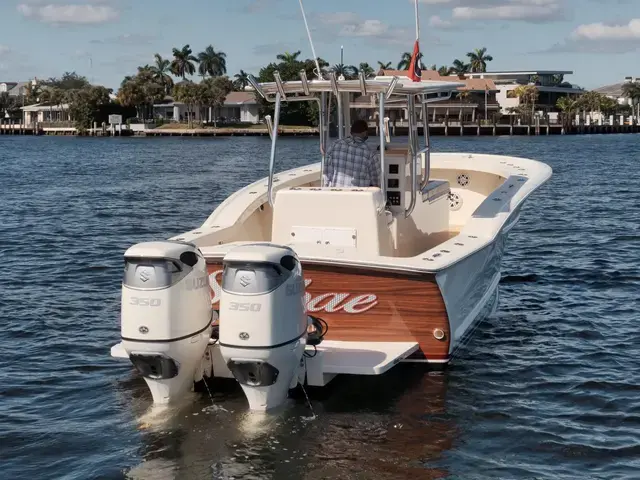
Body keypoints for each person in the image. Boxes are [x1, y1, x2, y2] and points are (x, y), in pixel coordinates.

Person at [322, 119, 381, 188]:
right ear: (365, 133)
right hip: (358, 197)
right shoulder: (370, 152)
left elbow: (327, 174)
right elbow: (376, 181)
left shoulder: (334, 145)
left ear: (351, 132)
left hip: (336, 195)